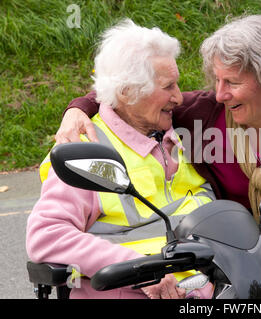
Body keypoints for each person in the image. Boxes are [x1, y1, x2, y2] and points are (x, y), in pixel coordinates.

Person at [56, 15, 261, 295]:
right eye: (217, 79)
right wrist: (77, 109)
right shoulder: (202, 114)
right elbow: (128, 95)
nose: (220, 94)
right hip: (235, 250)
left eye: (232, 82)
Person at [26, 19, 217, 299]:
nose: (178, 97)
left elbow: (248, 90)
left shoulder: (182, 131)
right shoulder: (87, 148)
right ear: (127, 92)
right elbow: (46, 235)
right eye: (168, 86)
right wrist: (142, 272)